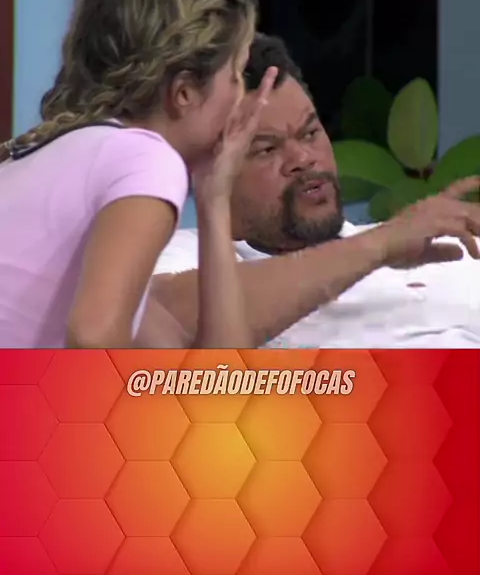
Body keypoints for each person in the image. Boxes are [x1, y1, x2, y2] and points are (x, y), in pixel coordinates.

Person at [0, 0, 278, 349]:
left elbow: (212, 373)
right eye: (236, 74)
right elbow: (94, 337)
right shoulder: (145, 160)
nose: (241, 97)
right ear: (184, 92)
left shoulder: (54, 156)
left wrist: (214, 199)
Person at [144, 33, 480, 348]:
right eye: (266, 149)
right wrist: (380, 246)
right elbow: (167, 320)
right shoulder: (183, 255)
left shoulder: (441, 246)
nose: (303, 158)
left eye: (310, 133)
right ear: (203, 168)